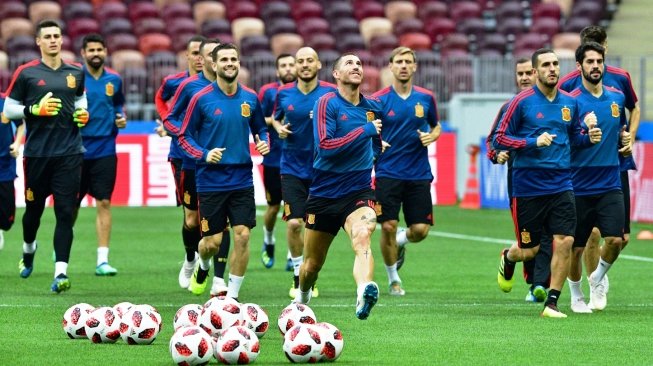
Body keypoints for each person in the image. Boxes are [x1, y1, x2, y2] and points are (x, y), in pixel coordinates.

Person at [493, 48, 602, 318]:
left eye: (555, 64)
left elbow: (574, 137)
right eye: (546, 65)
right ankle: (508, 257)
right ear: (535, 72)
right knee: (529, 251)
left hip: (562, 185)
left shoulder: (570, 103)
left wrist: (589, 136)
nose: (553, 69)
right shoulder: (521, 103)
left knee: (564, 241)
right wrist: (531, 142)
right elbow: (499, 138)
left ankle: (551, 303)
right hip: (528, 187)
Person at [295, 53, 383, 320]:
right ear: (335, 74)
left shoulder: (372, 108)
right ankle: (302, 298)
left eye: (359, 63)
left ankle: (364, 290)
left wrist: (372, 153)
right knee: (311, 265)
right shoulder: (327, 103)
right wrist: (363, 132)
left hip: (358, 190)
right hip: (324, 193)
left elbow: (377, 143)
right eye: (349, 63)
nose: (356, 66)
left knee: (363, 233)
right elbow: (326, 146)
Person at [3, 19, 89, 293]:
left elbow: (81, 103)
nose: (53, 40)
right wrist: (34, 110)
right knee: (34, 213)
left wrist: (83, 115)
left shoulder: (75, 71)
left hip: (70, 153)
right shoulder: (26, 73)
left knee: (65, 212)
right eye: (47, 36)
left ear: (62, 40)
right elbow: (9, 109)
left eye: (57, 35)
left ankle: (60, 272)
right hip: (38, 154)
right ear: (38, 42)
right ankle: (29, 249)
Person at [178, 43, 269, 300]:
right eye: (225, 59)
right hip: (210, 180)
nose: (230, 63)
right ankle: (203, 265)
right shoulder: (201, 98)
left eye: (234, 59)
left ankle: (233, 298)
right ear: (214, 65)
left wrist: (263, 142)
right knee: (211, 243)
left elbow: (261, 128)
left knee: (242, 235)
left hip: (241, 177)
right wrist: (204, 154)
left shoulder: (250, 97)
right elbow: (184, 136)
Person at [559, 25, 640, 308]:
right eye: (590, 62)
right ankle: (576, 295)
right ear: (579, 65)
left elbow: (623, 123)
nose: (596, 66)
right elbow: (562, 135)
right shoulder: (570, 99)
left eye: (599, 61)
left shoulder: (617, 96)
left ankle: (597, 278)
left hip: (610, 181)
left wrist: (626, 135)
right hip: (578, 183)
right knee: (576, 245)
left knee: (617, 240)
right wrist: (584, 131)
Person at [164, 38, 231, 296]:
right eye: (211, 55)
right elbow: (171, 118)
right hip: (190, 162)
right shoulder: (189, 87)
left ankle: (219, 279)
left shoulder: (232, 89)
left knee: (222, 223)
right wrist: (183, 135)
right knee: (192, 221)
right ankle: (191, 258)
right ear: (203, 59)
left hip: (224, 167)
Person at [371, 47, 440, 296]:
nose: (403, 65)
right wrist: (377, 141)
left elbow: (436, 126)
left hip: (418, 173)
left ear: (414, 67)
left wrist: (431, 136)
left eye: (408, 62)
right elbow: (368, 128)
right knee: (387, 225)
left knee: (420, 231)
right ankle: (393, 279)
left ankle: (401, 241)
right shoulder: (378, 100)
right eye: (398, 61)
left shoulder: (426, 98)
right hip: (388, 172)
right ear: (390, 67)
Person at [485, 58, 552, 303]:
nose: (524, 78)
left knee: (551, 236)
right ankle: (511, 259)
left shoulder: (556, 104)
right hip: (521, 182)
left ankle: (538, 285)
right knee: (530, 240)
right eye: (519, 74)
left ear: (536, 73)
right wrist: (496, 154)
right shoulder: (510, 106)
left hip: (553, 180)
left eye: (527, 73)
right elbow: (492, 139)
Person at [272, 47, 336, 298]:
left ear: (318, 64)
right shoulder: (284, 93)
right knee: (295, 223)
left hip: (323, 169)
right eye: (301, 61)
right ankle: (298, 275)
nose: (305, 65)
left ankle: (310, 274)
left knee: (314, 227)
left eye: (310, 60)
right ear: (295, 66)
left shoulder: (331, 92)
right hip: (291, 168)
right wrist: (279, 127)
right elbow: (275, 117)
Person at [154, 35, 207, 288]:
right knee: (191, 219)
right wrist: (169, 123)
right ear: (187, 55)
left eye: (202, 53)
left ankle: (210, 267)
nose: (199, 58)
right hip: (181, 155)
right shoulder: (175, 82)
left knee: (213, 215)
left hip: (211, 158)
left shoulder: (215, 87)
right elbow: (160, 99)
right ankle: (190, 257)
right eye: (194, 53)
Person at [73, 33, 126, 276]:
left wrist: (120, 117)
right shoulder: (74, 78)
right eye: (91, 50)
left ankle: (102, 260)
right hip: (76, 148)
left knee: (104, 202)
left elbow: (117, 104)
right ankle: (62, 243)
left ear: (106, 52)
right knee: (70, 203)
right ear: (83, 53)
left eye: (99, 49)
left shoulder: (114, 79)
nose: (96, 53)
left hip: (105, 148)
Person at [257, 53, 297, 271]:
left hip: (299, 161)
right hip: (273, 159)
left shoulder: (304, 93)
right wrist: (274, 121)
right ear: (277, 70)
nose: (288, 68)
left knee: (297, 212)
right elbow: (258, 119)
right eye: (284, 65)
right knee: (273, 207)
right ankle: (269, 240)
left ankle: (293, 255)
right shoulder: (268, 91)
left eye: (292, 64)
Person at [0, 94, 25, 250]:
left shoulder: (6, 102)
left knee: (7, 220)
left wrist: (16, 143)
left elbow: (21, 124)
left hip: (4, 167)